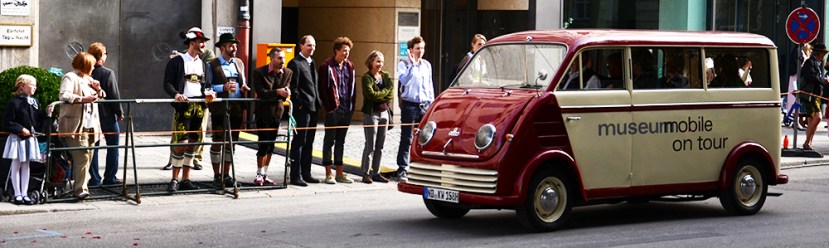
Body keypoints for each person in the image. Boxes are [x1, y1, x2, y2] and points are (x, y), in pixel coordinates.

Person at [162, 27, 214, 192]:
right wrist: (176, 94)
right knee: (180, 143)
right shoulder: (177, 61)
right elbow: (167, 83)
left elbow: (207, 86)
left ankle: (186, 179)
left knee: (193, 143)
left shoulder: (204, 64)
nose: (204, 45)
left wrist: (209, 93)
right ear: (192, 43)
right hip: (183, 107)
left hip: (199, 107)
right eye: (201, 42)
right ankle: (174, 179)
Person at [58, 52, 106, 200]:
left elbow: (102, 95)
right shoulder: (70, 77)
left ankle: (81, 187)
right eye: (91, 65)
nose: (93, 68)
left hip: (91, 125)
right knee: (82, 156)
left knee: (89, 156)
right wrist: (83, 99)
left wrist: (98, 89)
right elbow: (64, 95)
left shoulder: (89, 79)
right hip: (76, 125)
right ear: (85, 65)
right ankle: (80, 190)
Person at [206, 33, 249, 189]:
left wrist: (244, 87)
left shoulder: (239, 63)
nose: (234, 48)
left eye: (235, 45)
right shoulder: (212, 64)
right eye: (231, 45)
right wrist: (222, 87)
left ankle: (226, 174)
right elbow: (208, 87)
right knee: (218, 141)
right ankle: (217, 175)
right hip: (219, 108)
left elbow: (242, 81)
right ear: (222, 47)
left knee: (232, 143)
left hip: (236, 107)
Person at [3, 75, 49, 205]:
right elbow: (7, 122)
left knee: (26, 166)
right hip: (18, 138)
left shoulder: (34, 102)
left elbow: (37, 120)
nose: (35, 87)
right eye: (32, 85)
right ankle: (17, 193)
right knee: (16, 165)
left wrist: (46, 113)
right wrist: (20, 129)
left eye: (35, 85)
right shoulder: (14, 102)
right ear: (22, 86)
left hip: (29, 138)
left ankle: (24, 193)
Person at [396, 36, 435, 182]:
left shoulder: (426, 65)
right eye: (418, 48)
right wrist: (412, 65)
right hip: (410, 105)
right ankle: (402, 168)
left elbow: (429, 86)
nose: (420, 51)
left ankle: (420, 167)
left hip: (424, 105)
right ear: (411, 50)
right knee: (407, 138)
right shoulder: (404, 63)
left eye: (422, 48)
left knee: (424, 138)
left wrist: (432, 104)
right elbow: (404, 80)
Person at [318, 37, 356, 184]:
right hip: (333, 110)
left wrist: (352, 107)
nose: (346, 54)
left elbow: (353, 88)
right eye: (344, 51)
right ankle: (328, 173)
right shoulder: (326, 66)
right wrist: (329, 108)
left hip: (347, 109)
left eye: (348, 51)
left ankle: (340, 173)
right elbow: (322, 89)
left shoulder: (350, 66)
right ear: (336, 51)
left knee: (341, 141)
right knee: (329, 141)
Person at [252, 47, 292, 186]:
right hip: (263, 113)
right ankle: (259, 173)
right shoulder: (259, 72)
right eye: (279, 58)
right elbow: (261, 92)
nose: (283, 61)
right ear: (272, 58)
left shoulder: (287, 72)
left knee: (271, 145)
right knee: (263, 143)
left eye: (284, 58)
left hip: (277, 113)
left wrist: (286, 92)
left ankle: (265, 174)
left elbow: (286, 89)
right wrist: (277, 92)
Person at [87, 42, 124, 187]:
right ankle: (110, 178)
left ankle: (94, 178)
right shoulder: (107, 73)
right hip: (107, 114)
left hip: (91, 115)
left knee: (93, 146)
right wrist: (119, 111)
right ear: (102, 56)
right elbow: (114, 95)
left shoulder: (86, 72)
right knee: (113, 145)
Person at [287, 35, 322, 187]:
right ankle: (296, 175)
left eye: (313, 45)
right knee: (299, 142)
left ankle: (306, 172)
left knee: (309, 142)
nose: (312, 48)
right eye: (309, 45)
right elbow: (293, 88)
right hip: (303, 109)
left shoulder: (312, 62)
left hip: (314, 108)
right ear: (301, 46)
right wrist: (300, 104)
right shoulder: (295, 63)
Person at [360, 51, 393, 184]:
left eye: (382, 61)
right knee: (370, 145)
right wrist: (384, 94)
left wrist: (382, 93)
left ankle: (376, 172)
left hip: (384, 113)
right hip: (371, 114)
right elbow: (371, 95)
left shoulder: (386, 76)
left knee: (380, 145)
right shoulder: (366, 77)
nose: (380, 64)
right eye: (378, 61)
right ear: (371, 62)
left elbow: (391, 93)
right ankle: (365, 173)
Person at [799, 43, 829, 150]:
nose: (824, 55)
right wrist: (823, 81)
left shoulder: (816, 63)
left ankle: (808, 143)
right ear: (819, 53)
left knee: (813, 119)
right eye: (823, 53)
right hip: (810, 95)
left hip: (815, 95)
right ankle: (807, 142)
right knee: (818, 117)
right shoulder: (809, 62)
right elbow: (810, 76)